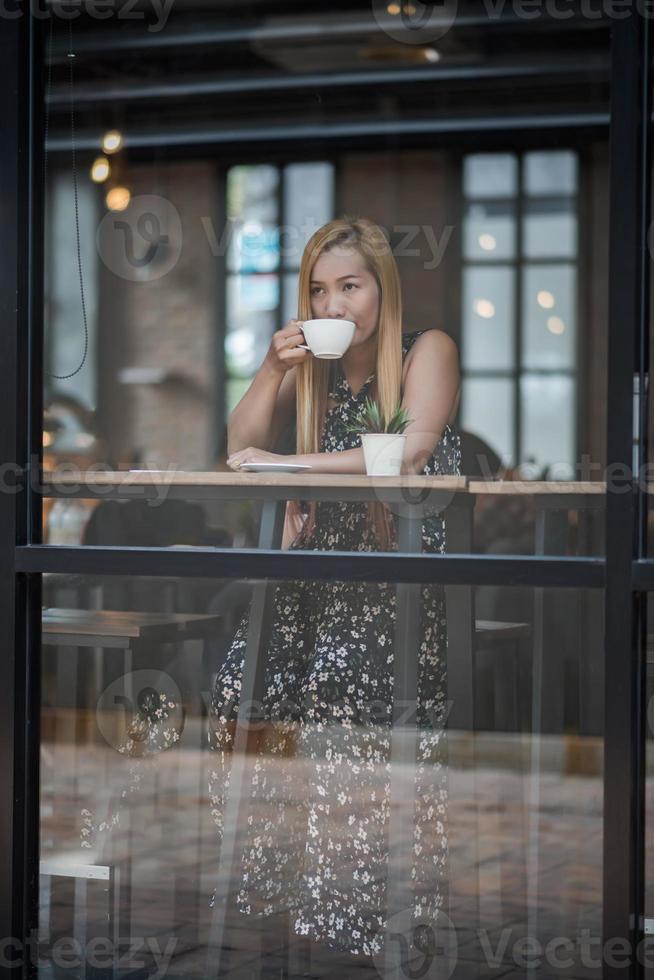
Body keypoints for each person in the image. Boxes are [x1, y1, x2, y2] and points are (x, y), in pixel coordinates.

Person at [207, 215, 462, 960]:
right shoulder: (314, 374)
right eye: (319, 292)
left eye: (349, 286)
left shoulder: (427, 350)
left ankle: (357, 920)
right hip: (313, 575)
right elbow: (236, 447)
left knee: (341, 693)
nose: (334, 306)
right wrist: (271, 369)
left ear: (382, 287)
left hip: (394, 577)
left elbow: (406, 453)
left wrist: (287, 468)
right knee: (239, 697)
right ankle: (272, 892)